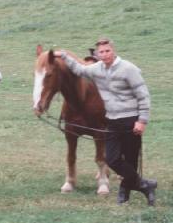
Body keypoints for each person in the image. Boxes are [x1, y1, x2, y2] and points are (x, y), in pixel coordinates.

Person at [60, 38, 157, 205]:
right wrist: (63, 55)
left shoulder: (128, 68)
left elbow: (143, 95)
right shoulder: (96, 69)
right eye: (101, 52)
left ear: (113, 51)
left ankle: (124, 192)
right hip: (112, 120)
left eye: (107, 51)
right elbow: (79, 69)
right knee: (112, 159)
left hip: (130, 119)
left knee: (131, 159)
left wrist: (142, 120)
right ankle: (145, 185)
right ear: (97, 54)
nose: (104, 55)